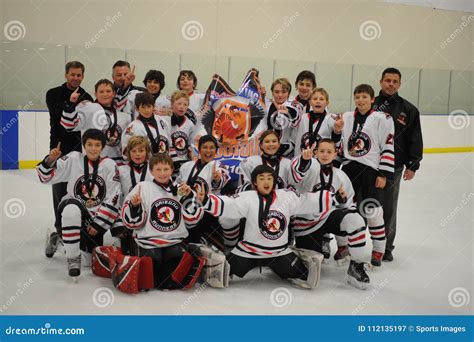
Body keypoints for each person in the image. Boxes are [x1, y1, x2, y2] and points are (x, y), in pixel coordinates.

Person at [197, 165, 331, 289]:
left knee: (304, 275)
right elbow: (229, 204)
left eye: (269, 178)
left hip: (279, 252)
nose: (266, 182)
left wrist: (334, 198)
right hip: (248, 252)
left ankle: (296, 254)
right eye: (261, 179)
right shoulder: (247, 198)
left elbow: (306, 201)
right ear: (255, 182)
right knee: (219, 274)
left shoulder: (286, 196)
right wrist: (206, 201)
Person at [36, 129, 121, 279]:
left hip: (94, 218)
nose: (93, 148)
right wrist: (50, 160)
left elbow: (114, 196)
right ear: (83, 145)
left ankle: (57, 240)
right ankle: (72, 259)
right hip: (73, 205)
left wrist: (98, 224)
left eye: (97, 145)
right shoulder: (74, 158)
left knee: (88, 261)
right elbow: (46, 178)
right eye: (89, 144)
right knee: (71, 210)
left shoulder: (109, 165)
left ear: (102, 147)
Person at [290, 139, 370, 289]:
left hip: (329, 217)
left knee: (356, 220)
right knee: (307, 269)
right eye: (321, 151)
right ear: (315, 152)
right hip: (306, 223)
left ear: (335, 154)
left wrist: (343, 200)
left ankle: (356, 266)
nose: (325, 155)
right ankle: (315, 244)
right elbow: (296, 177)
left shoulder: (341, 176)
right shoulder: (309, 168)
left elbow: (348, 205)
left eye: (329, 152)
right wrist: (303, 161)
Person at [121, 153, 205, 289]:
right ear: (151, 171)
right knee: (153, 267)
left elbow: (192, 220)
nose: (162, 173)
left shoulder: (182, 189)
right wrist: (134, 207)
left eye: (166, 169)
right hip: (147, 241)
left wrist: (188, 197)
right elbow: (131, 223)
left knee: (172, 276)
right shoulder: (142, 187)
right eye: (158, 170)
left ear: (172, 170)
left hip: (175, 240)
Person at [340, 84, 395, 267]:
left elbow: (388, 146)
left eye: (364, 97)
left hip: (371, 170)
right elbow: (341, 144)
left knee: (373, 210)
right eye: (357, 97)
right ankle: (344, 246)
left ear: (372, 99)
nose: (360, 100)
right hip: (349, 169)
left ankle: (379, 249)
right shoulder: (347, 117)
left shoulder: (382, 118)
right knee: (345, 208)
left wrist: (384, 173)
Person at [374, 67, 423, 262]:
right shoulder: (370, 103)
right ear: (381, 82)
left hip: (394, 167)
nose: (391, 84)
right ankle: (356, 242)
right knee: (361, 204)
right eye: (387, 80)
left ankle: (385, 247)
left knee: (389, 207)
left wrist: (413, 164)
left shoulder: (409, 110)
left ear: (400, 84)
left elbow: (415, 138)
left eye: (395, 81)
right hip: (368, 165)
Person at [45, 61, 93, 258]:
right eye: (72, 74)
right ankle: (59, 231)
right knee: (60, 190)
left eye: (79, 75)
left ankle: (76, 228)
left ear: (83, 76)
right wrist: (72, 103)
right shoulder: (53, 93)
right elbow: (57, 114)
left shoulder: (87, 97)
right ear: (66, 75)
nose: (76, 78)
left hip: (81, 151)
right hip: (59, 149)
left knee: (79, 190)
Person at [179, 135, 229, 250]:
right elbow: (178, 190)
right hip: (186, 212)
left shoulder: (218, 166)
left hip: (208, 214)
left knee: (211, 250)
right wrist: (182, 191)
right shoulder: (186, 166)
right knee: (188, 249)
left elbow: (221, 181)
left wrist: (217, 179)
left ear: (216, 150)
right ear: (199, 149)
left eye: (212, 148)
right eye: (205, 147)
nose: (208, 151)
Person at [61, 79, 131, 163]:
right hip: (93, 164)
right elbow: (69, 125)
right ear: (95, 94)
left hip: (117, 164)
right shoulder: (88, 109)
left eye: (108, 91)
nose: (105, 94)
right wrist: (71, 104)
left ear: (114, 94)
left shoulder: (125, 117)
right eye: (101, 92)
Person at [113, 136, 154, 254]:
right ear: (128, 153)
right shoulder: (120, 171)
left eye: (141, 150)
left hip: (149, 220)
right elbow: (114, 198)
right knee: (127, 252)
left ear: (147, 152)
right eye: (134, 151)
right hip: (126, 220)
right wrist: (118, 223)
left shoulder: (155, 170)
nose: (137, 154)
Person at [121, 92, 172, 158]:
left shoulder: (162, 121)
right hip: (146, 165)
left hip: (164, 163)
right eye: (143, 107)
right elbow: (126, 151)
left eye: (149, 106)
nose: (146, 110)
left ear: (153, 107)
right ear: (137, 109)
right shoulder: (132, 127)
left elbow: (169, 144)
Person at [265, 78, 302, 158]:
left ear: (288, 93)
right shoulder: (267, 105)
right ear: (272, 92)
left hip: (285, 151)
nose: (280, 95)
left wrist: (287, 113)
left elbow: (295, 116)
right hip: (266, 148)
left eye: (284, 92)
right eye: (277, 92)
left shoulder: (294, 105)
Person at [169, 91, 197, 175]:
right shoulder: (165, 121)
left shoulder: (190, 124)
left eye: (185, 105)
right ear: (172, 104)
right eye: (179, 103)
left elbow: (191, 144)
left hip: (184, 162)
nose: (182, 107)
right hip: (168, 162)